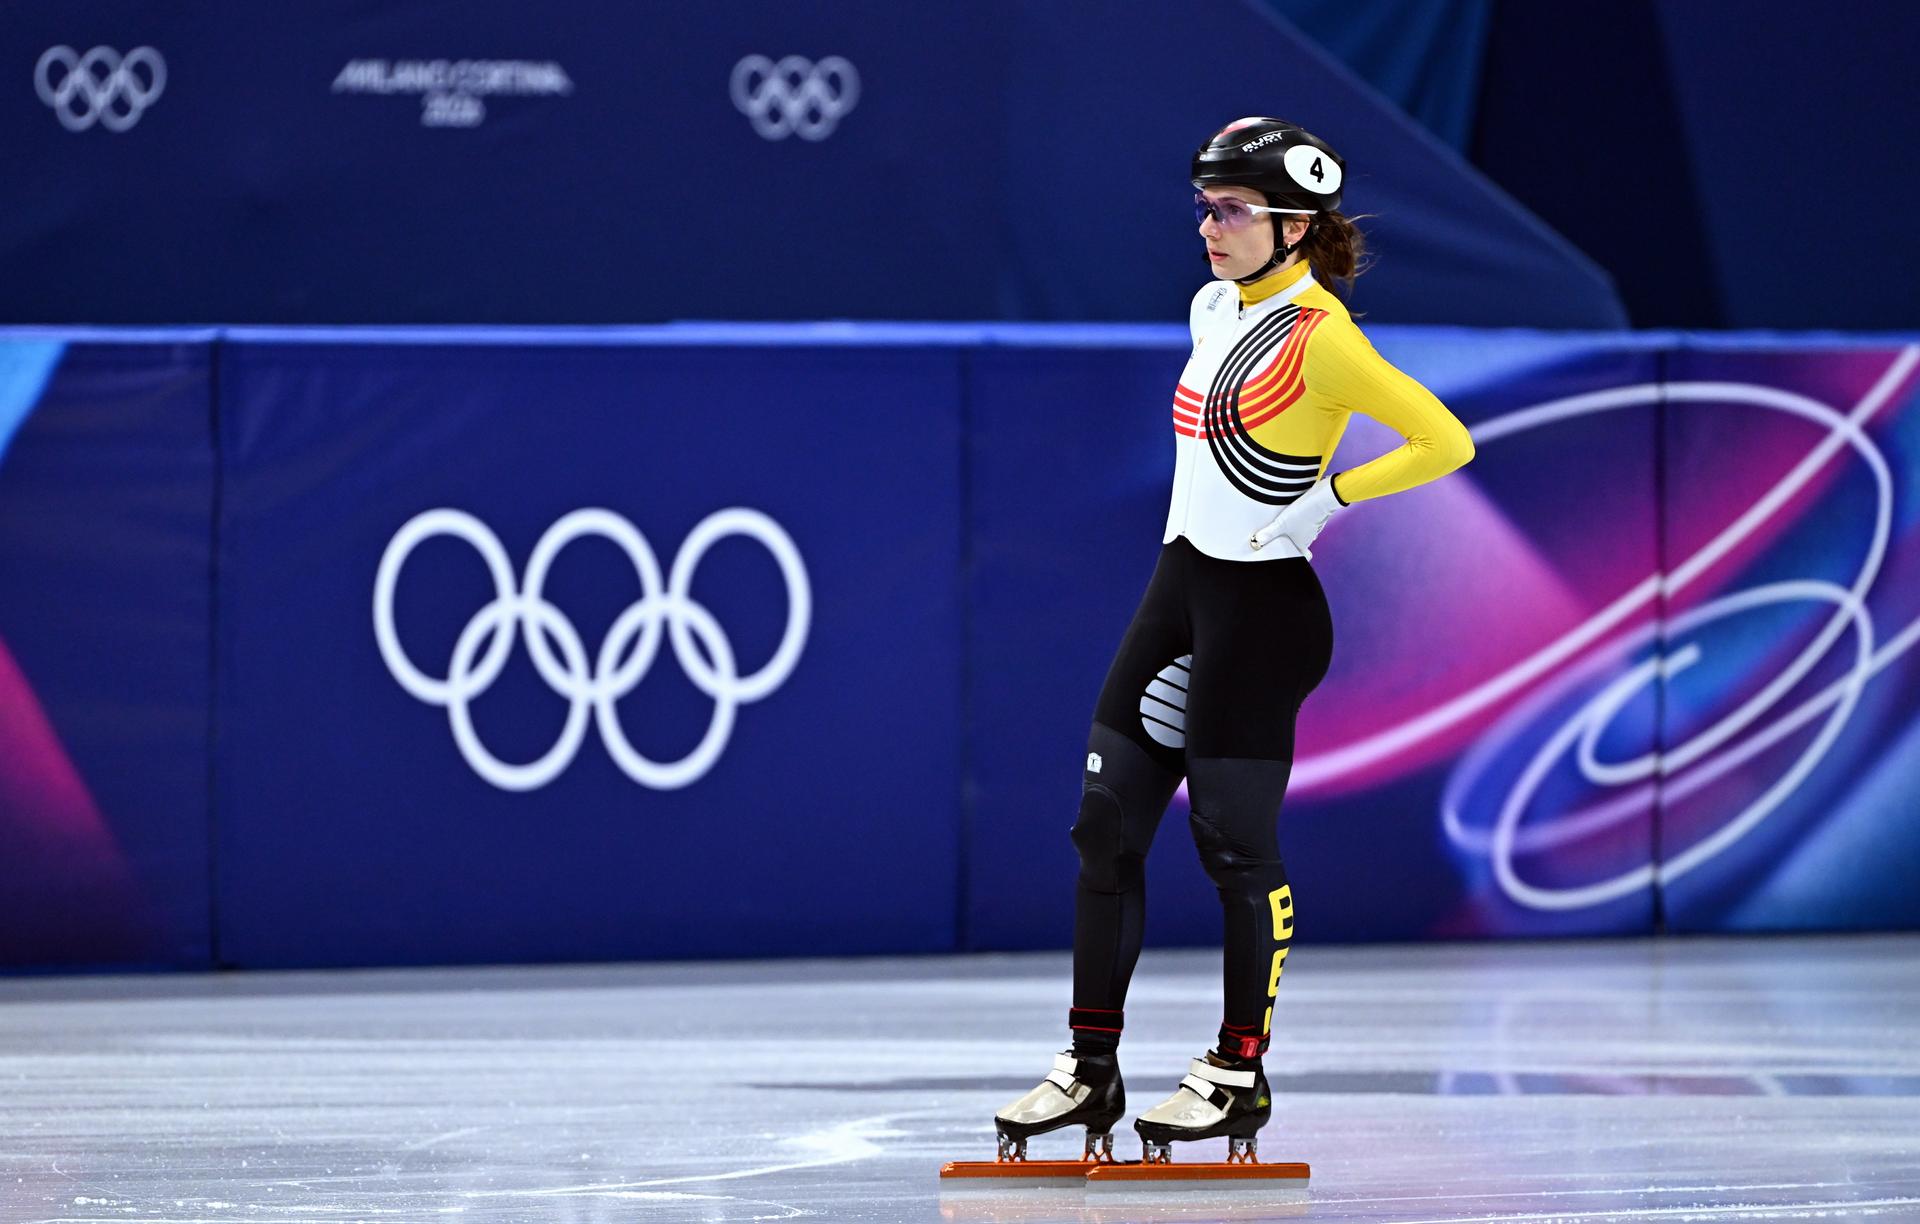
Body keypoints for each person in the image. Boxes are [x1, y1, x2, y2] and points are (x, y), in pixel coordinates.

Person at [993, 117, 1477, 1164]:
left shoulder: (1323, 337)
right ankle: (1089, 1067)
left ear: (1293, 227)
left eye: (1233, 211)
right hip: (1178, 592)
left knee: (1232, 848)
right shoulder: (1214, 308)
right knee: (1104, 827)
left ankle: (1237, 1072)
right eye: (1205, 208)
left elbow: (1445, 439)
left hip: (1263, 615)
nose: (1209, 227)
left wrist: (1328, 500)